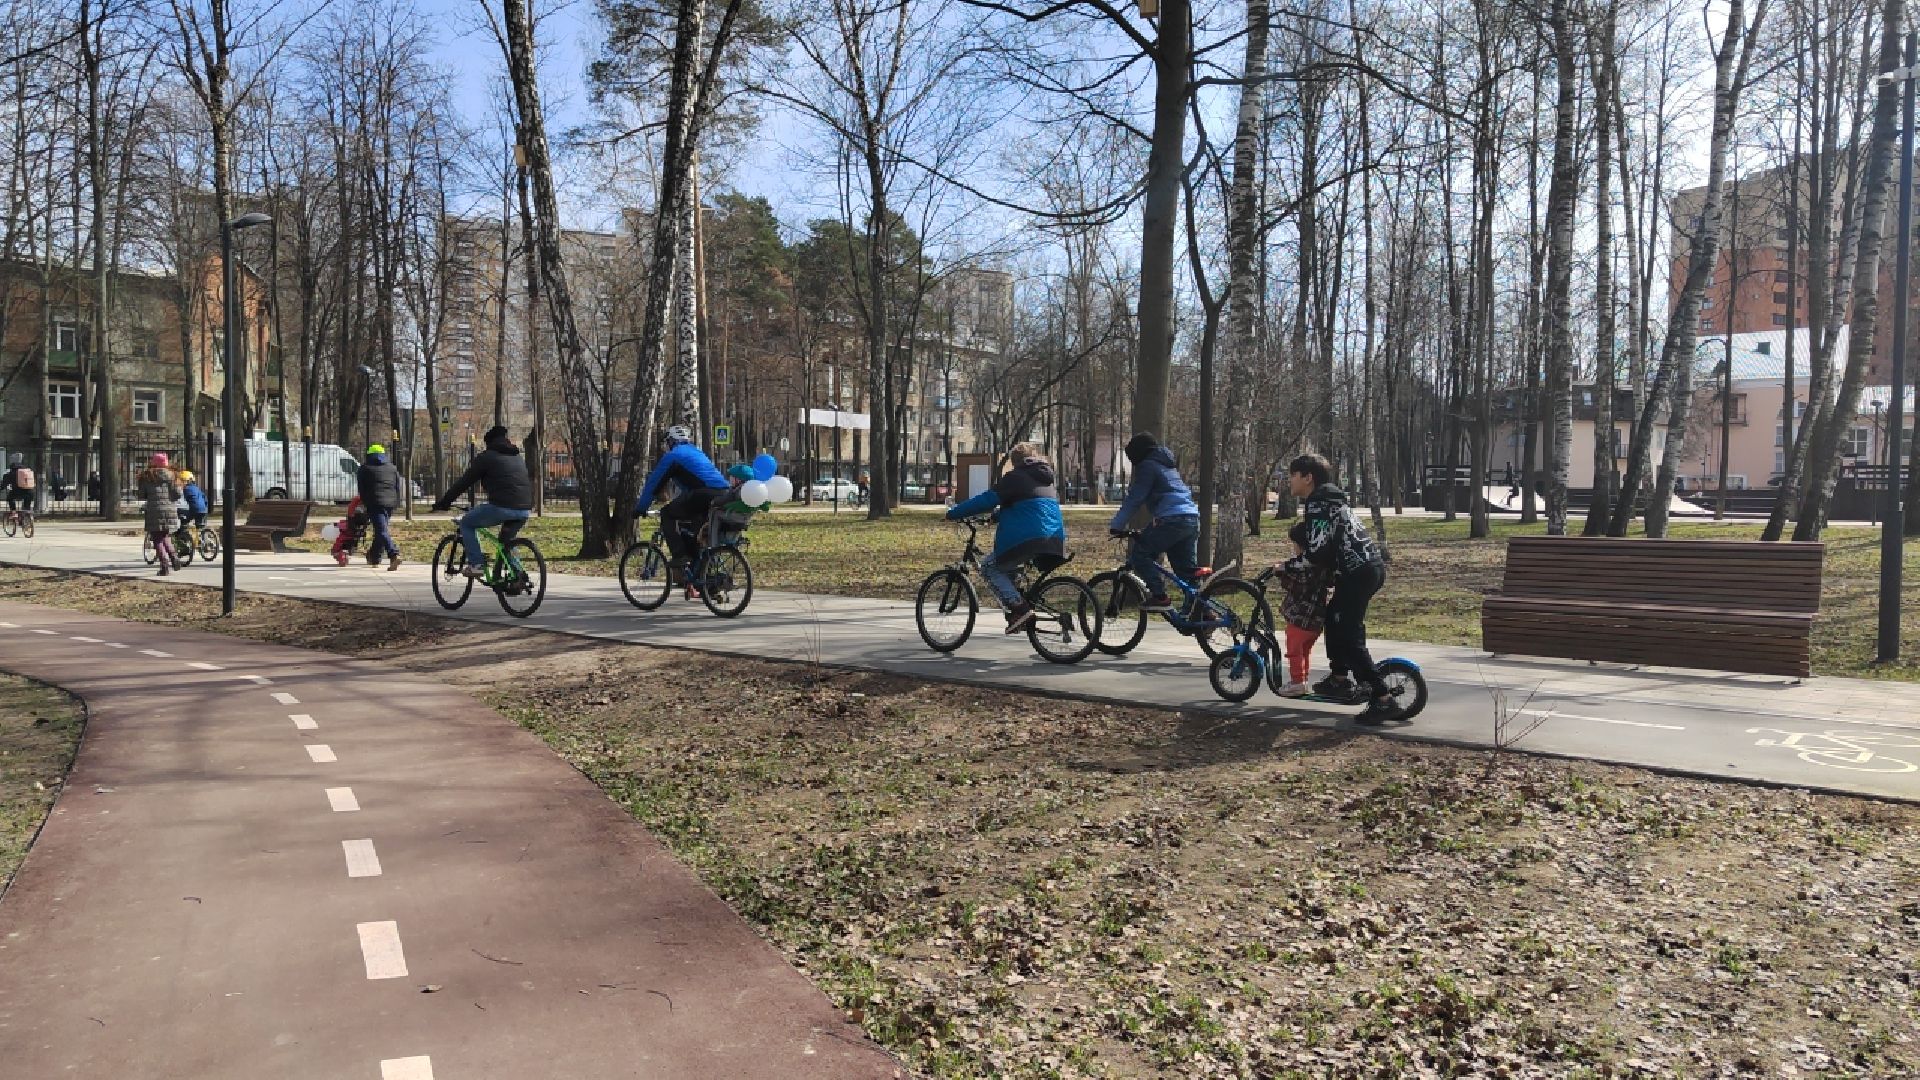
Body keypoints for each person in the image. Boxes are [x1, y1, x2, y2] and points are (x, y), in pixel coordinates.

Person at [1289, 453, 1396, 722]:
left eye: (1292, 475)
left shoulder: (1317, 504)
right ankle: (1338, 678)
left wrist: (1288, 566)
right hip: (1364, 570)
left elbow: (1316, 552)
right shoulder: (1328, 500)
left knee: (1349, 637)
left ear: (1308, 478)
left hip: (1358, 573)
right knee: (1335, 621)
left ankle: (1382, 698)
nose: (1289, 481)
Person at [945, 442, 1066, 632]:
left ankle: (1021, 609)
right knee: (1008, 570)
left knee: (989, 567)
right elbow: (1027, 507)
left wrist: (954, 513)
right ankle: (1018, 616)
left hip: (1027, 539)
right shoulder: (1046, 478)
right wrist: (996, 516)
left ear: (1014, 462)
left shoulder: (1015, 477)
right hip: (1054, 538)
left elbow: (987, 500)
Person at [1108, 432, 1201, 612]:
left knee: (1140, 555)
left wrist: (1117, 525)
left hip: (1171, 520)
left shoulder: (1148, 466)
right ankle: (1200, 612)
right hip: (1191, 518)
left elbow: (1135, 498)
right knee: (1186, 572)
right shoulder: (1168, 466)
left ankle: (1159, 596)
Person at [636, 425, 729, 593]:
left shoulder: (673, 456)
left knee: (667, 513)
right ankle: (707, 583)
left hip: (703, 494)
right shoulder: (697, 452)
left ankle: (679, 555)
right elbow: (691, 484)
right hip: (722, 494)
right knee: (694, 534)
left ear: (671, 441)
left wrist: (641, 507)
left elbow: (654, 483)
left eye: (667, 442)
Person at [431, 425, 532, 578]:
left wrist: (445, 502)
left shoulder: (487, 457)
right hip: (524, 509)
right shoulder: (517, 456)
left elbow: (464, 482)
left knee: (467, 523)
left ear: (489, 443)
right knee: (506, 541)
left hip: (501, 507)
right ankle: (518, 577)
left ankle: (476, 565)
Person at [1270, 521, 1335, 697]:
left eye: (1295, 545)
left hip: (1302, 618)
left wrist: (1280, 572)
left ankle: (1297, 682)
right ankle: (1303, 679)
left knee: (1293, 650)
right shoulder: (1322, 565)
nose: (1294, 549)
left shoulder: (1309, 569)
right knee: (1304, 651)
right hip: (1316, 620)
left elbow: (1299, 585)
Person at [357, 443, 403, 571]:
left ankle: (393, 554)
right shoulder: (392, 468)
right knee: (380, 530)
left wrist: (365, 502)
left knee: (381, 530)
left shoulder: (364, 468)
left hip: (375, 502)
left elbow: (361, 489)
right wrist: (396, 502)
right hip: (390, 503)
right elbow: (397, 486)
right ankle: (374, 557)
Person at [138, 453, 182, 575]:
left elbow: (141, 495)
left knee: (157, 538)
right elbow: (178, 494)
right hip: (170, 510)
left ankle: (164, 565)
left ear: (154, 462)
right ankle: (174, 556)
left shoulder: (148, 476)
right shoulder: (172, 476)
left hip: (154, 510)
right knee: (165, 535)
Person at [2, 454, 35, 519]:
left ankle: (14, 512)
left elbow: (3, 485)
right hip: (30, 492)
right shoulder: (27, 472)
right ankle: (26, 516)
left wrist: (2, 487)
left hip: (16, 492)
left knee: (9, 498)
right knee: (26, 506)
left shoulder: (10, 474)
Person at [178, 469, 209, 534]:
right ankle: (202, 539)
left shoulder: (185, 489)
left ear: (185, 481)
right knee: (200, 527)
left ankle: (184, 532)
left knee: (183, 519)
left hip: (193, 510)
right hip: (204, 510)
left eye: (182, 481)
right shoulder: (197, 488)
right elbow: (205, 498)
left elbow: (181, 500)